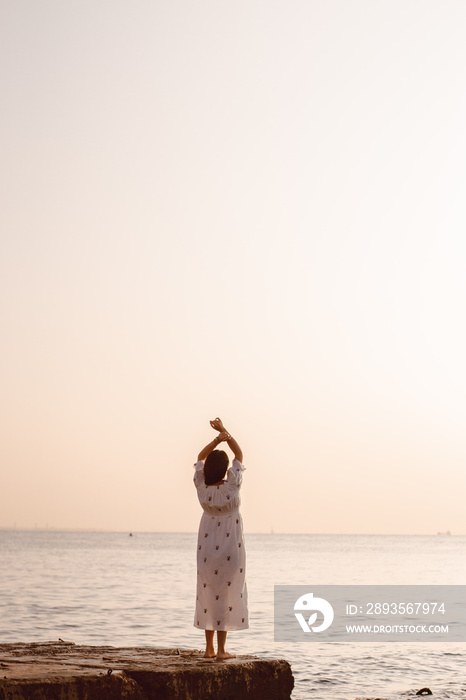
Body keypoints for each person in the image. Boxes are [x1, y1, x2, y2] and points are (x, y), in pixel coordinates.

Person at [193, 417, 249, 659]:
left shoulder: (201, 487)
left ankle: (208, 649)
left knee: (207, 592)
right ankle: (222, 650)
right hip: (230, 547)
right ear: (226, 470)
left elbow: (199, 457)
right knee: (226, 593)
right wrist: (226, 433)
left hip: (206, 545)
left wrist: (217, 438)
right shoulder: (232, 486)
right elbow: (239, 453)